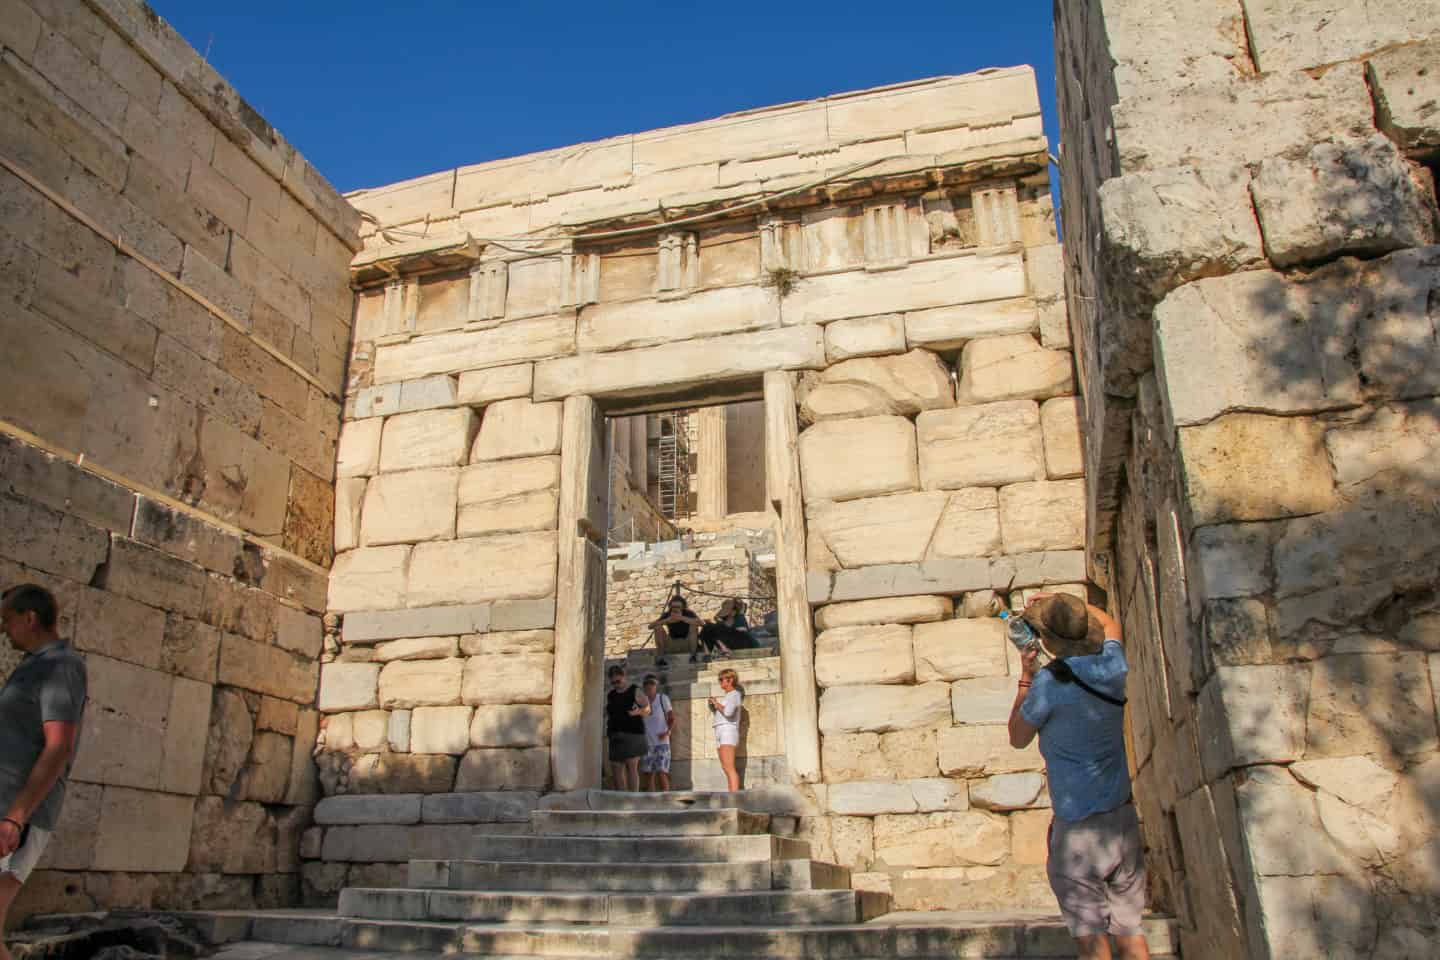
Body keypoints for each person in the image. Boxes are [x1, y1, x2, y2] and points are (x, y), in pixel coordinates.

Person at [1007, 593, 1150, 960]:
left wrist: (1026, 676)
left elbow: (1018, 737)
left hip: (1078, 828)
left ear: (1046, 641)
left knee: (1091, 940)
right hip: (1121, 818)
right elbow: (1111, 624)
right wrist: (1075, 608)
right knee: (1131, 932)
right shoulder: (1113, 667)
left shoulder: (1049, 686)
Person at [0, 585, 87, 960]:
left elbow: (58, 747)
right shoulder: (35, 664)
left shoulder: (62, 667)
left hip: (19, 816)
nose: (4, 630)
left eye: (7, 620)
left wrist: (15, 819)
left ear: (29, 618)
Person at [605, 664, 649, 791]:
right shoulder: (611, 695)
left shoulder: (635, 690)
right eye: (613, 683)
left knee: (631, 767)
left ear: (623, 677)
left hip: (633, 734)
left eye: (618, 681)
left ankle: (633, 798)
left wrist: (636, 712)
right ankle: (621, 799)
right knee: (616, 768)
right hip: (615, 735)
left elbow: (647, 709)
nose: (616, 685)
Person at [707, 668, 742, 792]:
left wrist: (716, 704)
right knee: (725, 767)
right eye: (719, 679)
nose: (720, 682)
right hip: (721, 730)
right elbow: (723, 712)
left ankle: (734, 798)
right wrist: (714, 706)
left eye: (722, 679)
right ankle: (732, 794)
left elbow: (728, 712)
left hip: (728, 730)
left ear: (730, 680)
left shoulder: (735, 694)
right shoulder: (728, 696)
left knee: (729, 767)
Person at [639, 674, 675, 792]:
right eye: (647, 684)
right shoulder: (641, 701)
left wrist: (667, 731)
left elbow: (671, 717)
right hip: (647, 743)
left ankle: (666, 800)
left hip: (662, 743)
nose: (649, 687)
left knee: (662, 772)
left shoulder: (662, 699)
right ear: (644, 687)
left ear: (656, 686)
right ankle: (651, 802)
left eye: (652, 684)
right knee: (649, 775)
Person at [648, 596, 704, 665]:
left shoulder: (688, 613)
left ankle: (693, 656)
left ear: (683, 607)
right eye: (673, 606)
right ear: (670, 607)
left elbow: (701, 624)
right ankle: (661, 657)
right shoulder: (667, 614)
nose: (675, 608)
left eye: (678, 606)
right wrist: (667, 620)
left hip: (687, 642)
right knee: (657, 628)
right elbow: (650, 626)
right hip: (672, 643)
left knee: (693, 625)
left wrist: (682, 618)